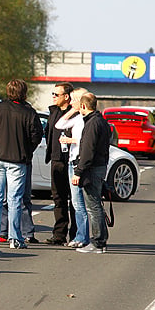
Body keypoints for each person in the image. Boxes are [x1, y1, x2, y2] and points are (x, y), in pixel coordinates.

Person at [0, 79, 43, 249]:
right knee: (14, 200)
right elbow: (37, 136)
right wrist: (27, 150)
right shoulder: (29, 112)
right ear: (24, 93)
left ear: (8, 92)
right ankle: (15, 238)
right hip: (18, 161)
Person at [71, 92, 111, 253]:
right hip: (99, 166)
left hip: (92, 168)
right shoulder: (100, 121)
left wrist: (78, 171)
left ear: (83, 106)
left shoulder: (92, 123)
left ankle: (97, 243)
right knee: (96, 206)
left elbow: (88, 150)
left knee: (93, 206)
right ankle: (101, 239)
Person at [56, 87, 90, 248]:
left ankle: (82, 236)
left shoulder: (86, 120)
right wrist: (71, 111)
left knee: (79, 203)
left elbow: (86, 142)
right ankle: (81, 235)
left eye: (74, 100)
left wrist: (72, 141)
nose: (72, 102)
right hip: (71, 161)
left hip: (78, 162)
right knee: (76, 202)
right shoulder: (77, 118)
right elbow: (59, 124)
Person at [44, 82, 75, 245]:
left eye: (57, 94)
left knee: (75, 200)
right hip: (56, 160)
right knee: (58, 199)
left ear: (66, 97)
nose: (53, 97)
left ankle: (76, 234)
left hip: (72, 161)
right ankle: (59, 234)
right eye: (53, 94)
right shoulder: (53, 112)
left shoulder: (75, 114)